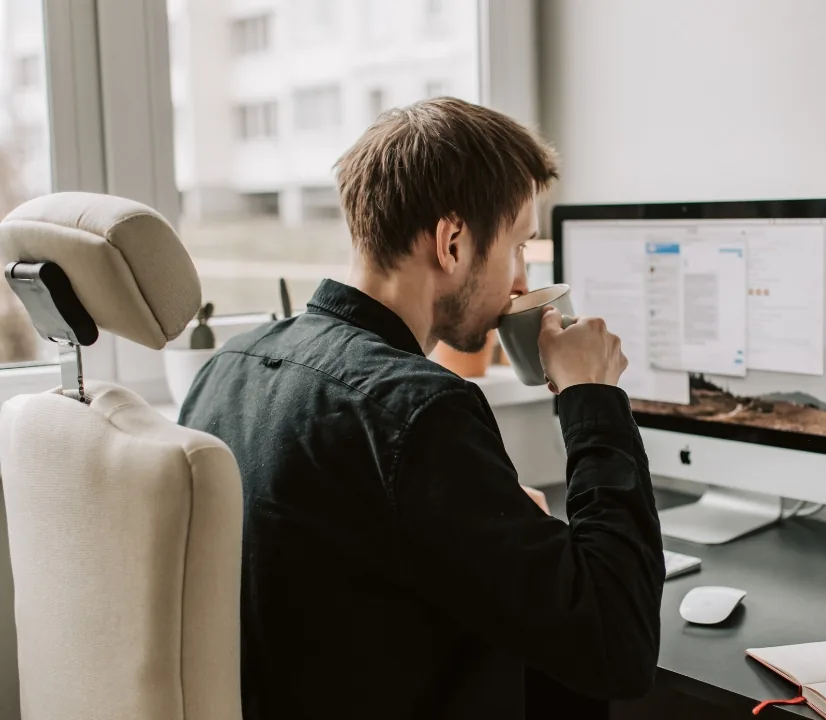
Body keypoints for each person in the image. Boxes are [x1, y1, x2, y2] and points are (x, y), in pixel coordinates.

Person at [179, 98, 664, 719]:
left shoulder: (229, 365)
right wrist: (591, 397)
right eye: (518, 247)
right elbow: (617, 647)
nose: (520, 282)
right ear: (453, 242)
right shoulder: (421, 411)